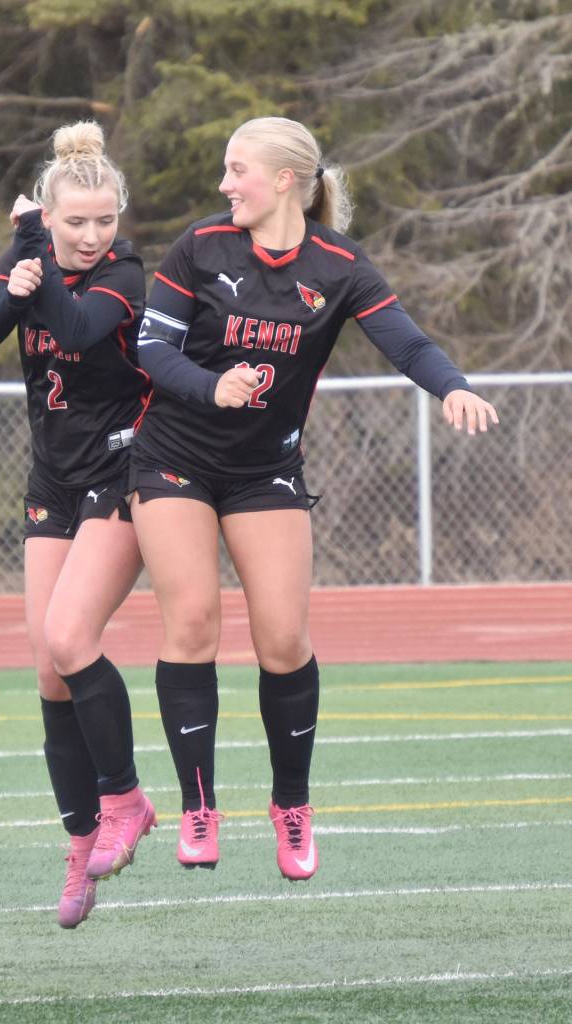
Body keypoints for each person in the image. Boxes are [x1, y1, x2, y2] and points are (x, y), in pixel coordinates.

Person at [130, 116, 499, 882]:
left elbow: (406, 341)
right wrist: (211, 385)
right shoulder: (199, 248)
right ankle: (199, 806)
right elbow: (152, 348)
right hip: (173, 460)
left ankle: (291, 805)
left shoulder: (339, 265)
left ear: (286, 180)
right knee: (192, 619)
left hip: (265, 471)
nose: (226, 184)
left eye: (239, 170)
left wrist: (453, 386)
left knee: (283, 641)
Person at [0, 120, 156, 928]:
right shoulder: (31, 250)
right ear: (49, 215)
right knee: (49, 667)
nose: (90, 235)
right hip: (52, 476)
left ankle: (128, 799)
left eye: (103, 219)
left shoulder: (126, 273)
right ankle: (80, 846)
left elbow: (77, 328)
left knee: (72, 636)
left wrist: (28, 252)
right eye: (73, 221)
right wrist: (16, 258)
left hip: (121, 472)